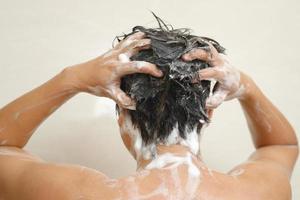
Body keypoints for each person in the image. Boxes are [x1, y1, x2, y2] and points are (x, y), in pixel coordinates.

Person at [0, 31, 298, 200]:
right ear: (207, 111)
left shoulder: (84, 195)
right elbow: (281, 147)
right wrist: (247, 87)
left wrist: (72, 78)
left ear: (122, 117)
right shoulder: (255, 193)